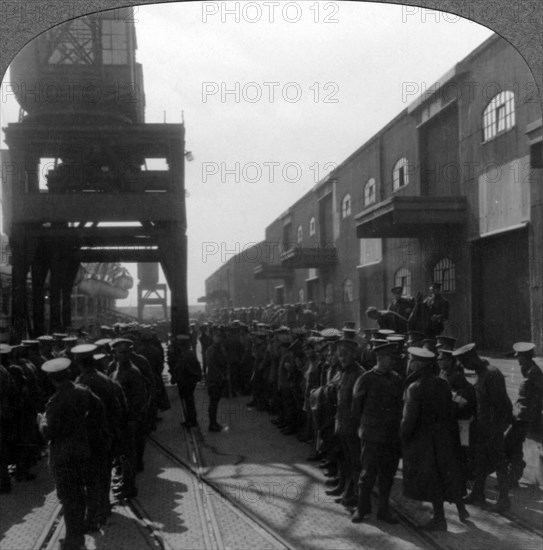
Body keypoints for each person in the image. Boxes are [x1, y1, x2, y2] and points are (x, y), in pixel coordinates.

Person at [39, 357, 108, 550]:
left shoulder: (56, 401)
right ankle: (78, 534)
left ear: (52, 379)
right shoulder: (83, 392)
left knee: (69, 498)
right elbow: (100, 410)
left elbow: (49, 433)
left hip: (63, 457)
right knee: (79, 494)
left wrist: (41, 422)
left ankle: (73, 539)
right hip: (83, 451)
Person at [401, 347, 468, 531]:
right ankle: (461, 509)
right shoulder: (442, 383)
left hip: (424, 442)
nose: (410, 363)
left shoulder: (414, 387)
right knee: (447, 475)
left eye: (412, 361)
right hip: (444, 438)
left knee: (432, 480)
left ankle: (440, 519)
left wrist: (402, 437)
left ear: (417, 364)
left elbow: (409, 419)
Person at [453, 343, 513, 511]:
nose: (465, 368)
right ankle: (478, 493)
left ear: (472, 358)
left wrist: (499, 428)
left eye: (465, 364)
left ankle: (503, 499)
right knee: (480, 461)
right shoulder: (481, 373)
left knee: (499, 463)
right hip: (482, 427)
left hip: (492, 429)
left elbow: (502, 404)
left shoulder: (492, 374)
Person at [351, 342, 402, 524]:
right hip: (371, 436)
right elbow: (356, 409)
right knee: (367, 475)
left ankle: (384, 510)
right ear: (381, 359)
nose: (393, 362)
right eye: (390, 359)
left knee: (387, 475)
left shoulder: (396, 379)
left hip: (390, 437)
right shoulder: (365, 379)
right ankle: (362, 509)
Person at [505, 342, 543, 487]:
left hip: (526, 418)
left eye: (519, 357)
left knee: (508, 443)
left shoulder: (534, 372)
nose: (517, 360)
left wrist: (533, 412)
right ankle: (513, 477)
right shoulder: (527, 368)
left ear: (525, 357)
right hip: (521, 415)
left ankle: (513, 475)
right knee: (514, 445)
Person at [169, 335, 203, 428]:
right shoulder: (190, 353)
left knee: (188, 402)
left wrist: (174, 378)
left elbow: (181, 370)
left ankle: (191, 421)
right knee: (190, 401)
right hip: (191, 381)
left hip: (186, 382)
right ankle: (191, 419)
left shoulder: (184, 355)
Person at [205, 329, 228, 431]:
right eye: (216, 336)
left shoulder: (221, 348)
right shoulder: (211, 350)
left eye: (220, 336)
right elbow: (211, 365)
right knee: (213, 403)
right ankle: (212, 424)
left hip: (219, 379)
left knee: (215, 402)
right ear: (213, 337)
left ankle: (214, 423)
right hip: (214, 379)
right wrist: (221, 375)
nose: (218, 338)